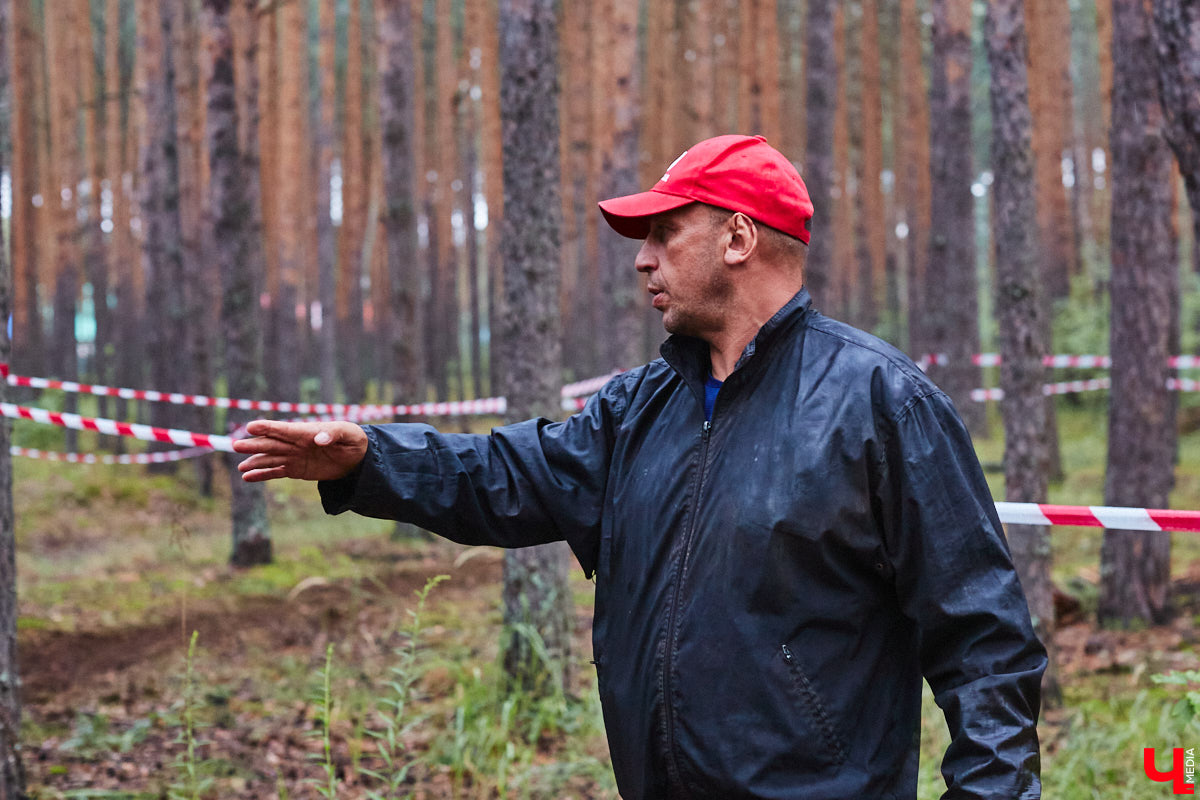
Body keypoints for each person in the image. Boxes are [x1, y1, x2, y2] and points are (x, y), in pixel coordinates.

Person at [234, 134, 1046, 799]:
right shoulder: (640, 406)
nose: (641, 260)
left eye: (664, 234)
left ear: (737, 237)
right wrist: (369, 460)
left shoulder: (881, 404)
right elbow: (506, 476)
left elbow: (985, 642)